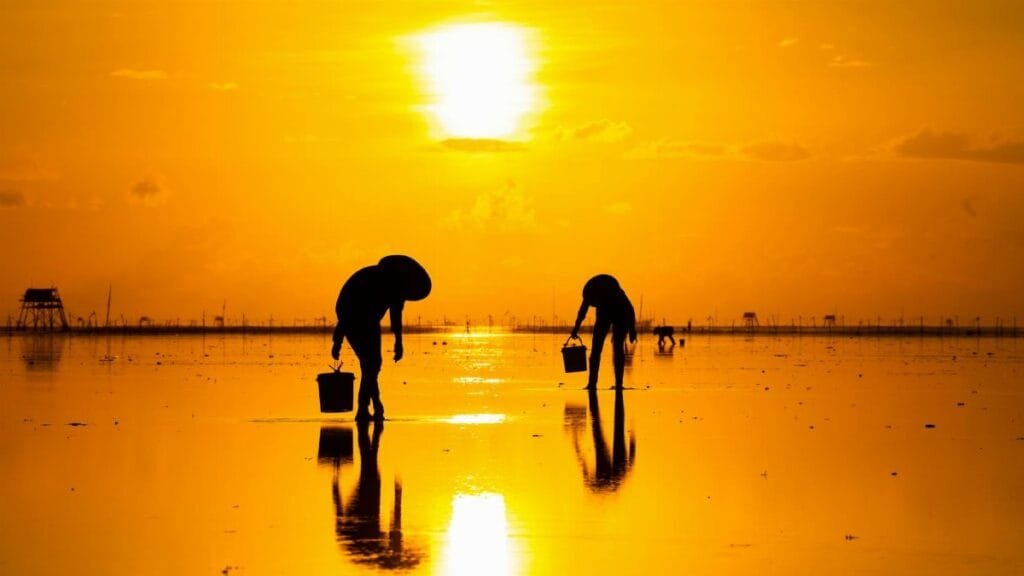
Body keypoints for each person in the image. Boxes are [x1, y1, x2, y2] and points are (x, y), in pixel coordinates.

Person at [331, 255, 431, 422]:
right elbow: (349, 309)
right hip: (358, 320)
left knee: (370, 365)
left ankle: (370, 407)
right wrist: (338, 340)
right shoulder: (382, 282)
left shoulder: (384, 281)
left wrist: (337, 341)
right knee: (371, 365)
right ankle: (368, 408)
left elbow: (394, 316)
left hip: (369, 322)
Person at [569, 274, 637, 389]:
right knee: (597, 349)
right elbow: (583, 311)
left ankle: (617, 384)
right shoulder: (594, 294)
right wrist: (576, 328)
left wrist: (632, 329)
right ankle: (593, 383)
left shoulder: (619, 297)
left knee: (616, 349)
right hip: (605, 315)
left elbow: (629, 309)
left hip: (620, 314)